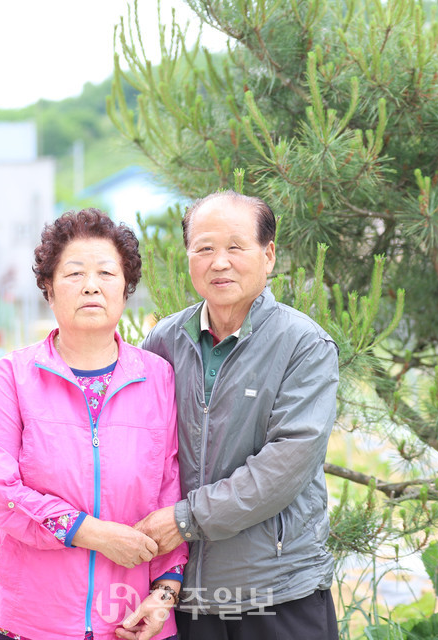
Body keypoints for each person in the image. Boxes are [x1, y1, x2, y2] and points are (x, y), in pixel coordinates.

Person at [0, 208, 188, 640]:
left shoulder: (158, 377)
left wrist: (164, 595)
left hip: (128, 619)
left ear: (126, 287)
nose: (91, 285)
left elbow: (169, 494)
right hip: (27, 620)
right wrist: (93, 533)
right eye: (73, 274)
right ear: (48, 288)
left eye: (106, 272)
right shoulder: (13, 376)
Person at [136, 191, 340, 640]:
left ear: (268, 255)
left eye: (235, 247)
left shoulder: (304, 345)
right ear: (188, 257)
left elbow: (285, 465)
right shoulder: (164, 342)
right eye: (204, 248)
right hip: (186, 594)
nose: (219, 262)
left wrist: (185, 519)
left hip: (278, 591)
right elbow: (145, 456)